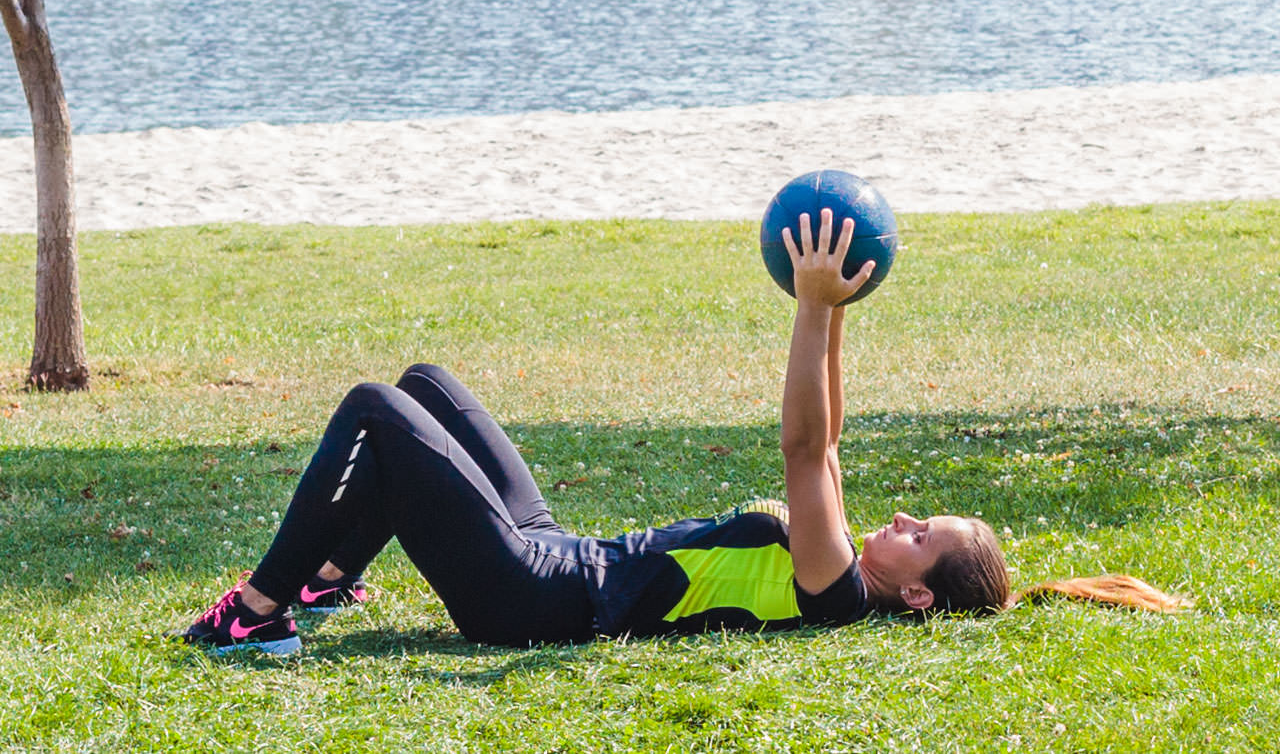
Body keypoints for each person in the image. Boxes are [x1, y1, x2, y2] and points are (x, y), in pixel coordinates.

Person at [175, 210, 1186, 655]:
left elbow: (801, 451)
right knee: (423, 385)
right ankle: (328, 575)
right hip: (558, 555)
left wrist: (802, 306)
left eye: (920, 533)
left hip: (529, 598)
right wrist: (833, 308)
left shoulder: (835, 594)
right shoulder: (846, 563)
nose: (906, 516)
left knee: (372, 409)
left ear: (912, 590)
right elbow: (827, 444)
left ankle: (257, 612)